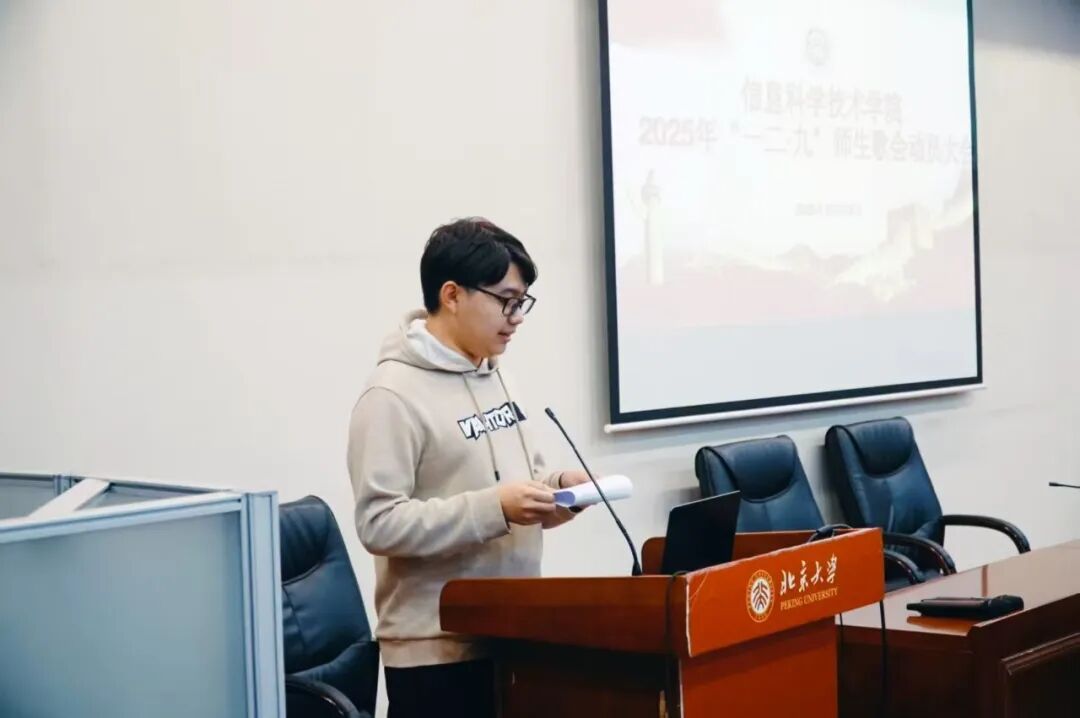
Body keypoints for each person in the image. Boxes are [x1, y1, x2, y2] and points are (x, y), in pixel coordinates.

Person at [348, 218, 591, 718]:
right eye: (506, 300)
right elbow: (378, 522)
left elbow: (518, 483)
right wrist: (494, 509)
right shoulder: (391, 395)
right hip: (438, 653)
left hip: (514, 632)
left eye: (521, 303)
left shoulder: (496, 375)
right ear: (453, 295)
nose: (516, 317)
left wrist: (559, 491)